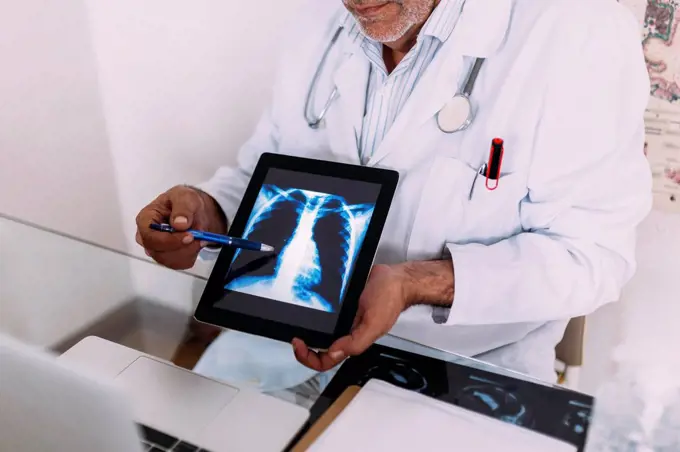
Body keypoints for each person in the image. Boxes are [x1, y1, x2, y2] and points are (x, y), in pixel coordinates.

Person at [136, 0, 652, 383]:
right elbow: (264, 167)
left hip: (463, 369)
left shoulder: (579, 32)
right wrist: (213, 212)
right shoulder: (317, 19)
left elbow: (593, 257)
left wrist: (415, 283)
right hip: (287, 342)